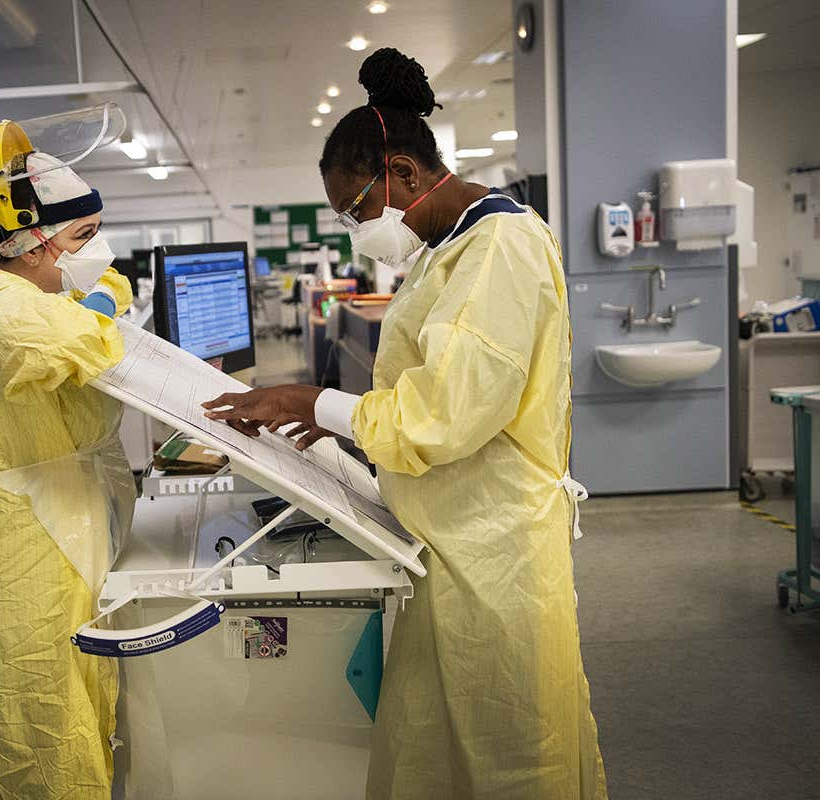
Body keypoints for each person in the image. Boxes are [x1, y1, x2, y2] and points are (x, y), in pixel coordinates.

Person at [203, 48, 607, 799]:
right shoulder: (440, 251)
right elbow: (424, 390)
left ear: (405, 174)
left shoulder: (503, 247)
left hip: (496, 551)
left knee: (511, 752)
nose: (356, 227)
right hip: (446, 540)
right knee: (433, 744)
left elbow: (445, 414)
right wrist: (345, 427)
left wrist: (309, 402)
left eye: (357, 208)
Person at [0, 118, 136, 800]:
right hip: (12, 555)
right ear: (32, 242)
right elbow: (48, 352)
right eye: (81, 237)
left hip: (59, 534)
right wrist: (105, 302)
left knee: (82, 714)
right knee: (34, 731)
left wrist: (98, 303)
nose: (95, 251)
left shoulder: (47, 299)